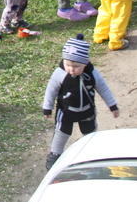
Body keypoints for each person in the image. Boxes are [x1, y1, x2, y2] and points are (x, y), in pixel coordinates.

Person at [42, 33, 119, 170]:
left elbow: (103, 88)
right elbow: (51, 90)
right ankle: (55, 154)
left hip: (87, 110)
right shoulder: (60, 73)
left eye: (76, 66)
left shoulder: (92, 74)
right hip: (66, 111)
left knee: (90, 132)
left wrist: (112, 106)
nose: (71, 69)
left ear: (85, 63)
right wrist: (47, 107)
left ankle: (89, 151)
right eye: (68, 64)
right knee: (62, 132)